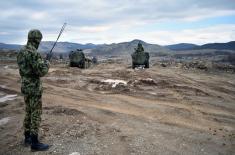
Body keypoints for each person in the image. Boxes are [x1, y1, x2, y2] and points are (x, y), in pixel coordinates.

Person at [17, 29, 50, 151]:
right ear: (37, 40)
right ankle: (35, 142)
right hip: (34, 88)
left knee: (28, 112)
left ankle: (27, 138)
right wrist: (47, 64)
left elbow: (24, 69)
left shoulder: (21, 51)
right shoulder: (33, 53)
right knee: (35, 113)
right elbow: (41, 72)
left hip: (25, 86)